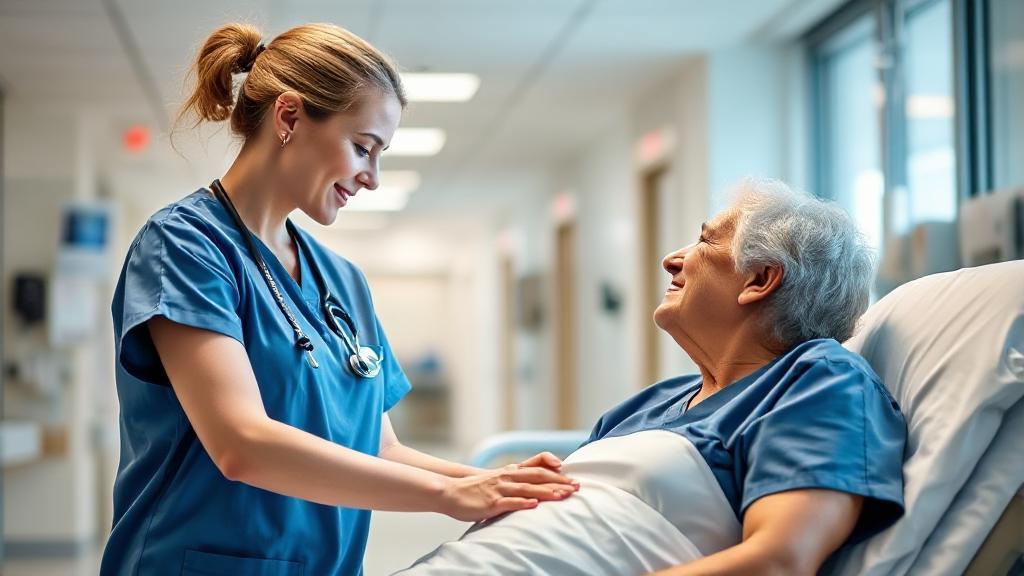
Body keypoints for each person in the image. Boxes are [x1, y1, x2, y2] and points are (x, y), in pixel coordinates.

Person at [100, 22, 578, 576]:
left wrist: (494, 483)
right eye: (363, 148)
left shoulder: (342, 280)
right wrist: (446, 496)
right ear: (288, 117)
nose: (371, 177)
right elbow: (240, 443)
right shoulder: (184, 248)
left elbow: (378, 448)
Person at [398, 178, 907, 576]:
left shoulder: (818, 379)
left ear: (759, 280)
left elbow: (777, 562)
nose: (673, 258)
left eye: (705, 241)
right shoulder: (655, 402)